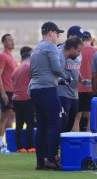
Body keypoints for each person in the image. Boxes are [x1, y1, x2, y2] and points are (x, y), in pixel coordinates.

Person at [30, 21, 70, 170]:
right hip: (47, 89)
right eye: (56, 33)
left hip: (35, 89)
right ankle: (51, 158)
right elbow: (56, 68)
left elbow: (33, 72)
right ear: (49, 32)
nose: (58, 36)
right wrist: (66, 78)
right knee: (55, 124)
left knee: (41, 126)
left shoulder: (36, 49)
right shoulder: (50, 47)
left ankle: (40, 161)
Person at [0, 34, 17, 151]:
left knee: (10, 116)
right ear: (4, 42)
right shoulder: (2, 56)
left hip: (11, 91)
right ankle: (1, 144)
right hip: (5, 91)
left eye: (13, 40)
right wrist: (3, 93)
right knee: (5, 117)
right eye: (10, 40)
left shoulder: (11, 57)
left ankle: (6, 143)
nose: (12, 42)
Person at [11, 46, 35, 153]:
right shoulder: (29, 67)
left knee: (19, 124)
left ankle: (19, 147)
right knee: (30, 123)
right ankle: (30, 146)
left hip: (16, 99)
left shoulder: (16, 69)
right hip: (27, 98)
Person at [57, 37, 83, 133]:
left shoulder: (77, 55)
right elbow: (56, 73)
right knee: (62, 122)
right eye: (78, 50)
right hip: (62, 94)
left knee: (70, 123)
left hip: (74, 94)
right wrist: (64, 79)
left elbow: (77, 70)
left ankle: (64, 144)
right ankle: (57, 145)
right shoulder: (60, 53)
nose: (79, 53)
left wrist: (82, 80)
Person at [73, 31, 97, 132]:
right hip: (92, 87)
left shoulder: (77, 50)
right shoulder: (96, 51)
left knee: (77, 117)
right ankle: (88, 142)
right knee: (90, 117)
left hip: (78, 87)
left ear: (81, 40)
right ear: (90, 39)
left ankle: (75, 140)